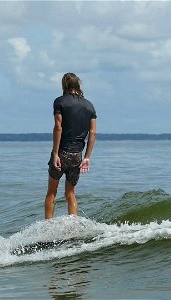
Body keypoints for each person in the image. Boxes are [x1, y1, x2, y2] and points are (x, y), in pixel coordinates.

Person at [44, 73, 97, 219]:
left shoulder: (60, 102)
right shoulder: (89, 105)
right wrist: (87, 157)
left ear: (64, 85)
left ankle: (47, 227)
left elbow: (58, 127)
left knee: (51, 192)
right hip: (77, 156)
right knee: (70, 193)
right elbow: (92, 132)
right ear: (77, 85)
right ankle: (73, 224)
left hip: (62, 154)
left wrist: (55, 154)